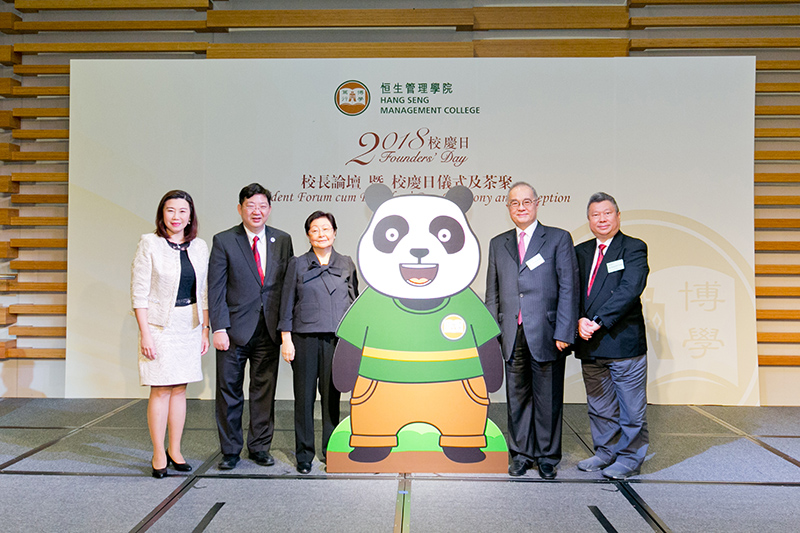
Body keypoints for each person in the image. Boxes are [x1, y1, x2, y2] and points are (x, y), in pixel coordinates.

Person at [485, 181, 579, 479]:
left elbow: (569, 288)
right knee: (517, 397)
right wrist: (493, 334)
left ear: (537, 203)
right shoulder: (498, 243)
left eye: (526, 202)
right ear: (508, 208)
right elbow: (493, 293)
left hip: (548, 332)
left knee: (548, 397)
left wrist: (565, 331)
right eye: (515, 203)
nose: (521, 207)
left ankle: (548, 457)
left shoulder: (557, 239)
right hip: (512, 333)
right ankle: (521, 454)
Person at [208, 183, 293, 470]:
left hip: (268, 329)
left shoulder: (282, 240)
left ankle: (259, 447)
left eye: (262, 206)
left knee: (263, 392)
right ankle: (230, 450)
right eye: (250, 206)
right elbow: (216, 288)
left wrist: (285, 328)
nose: (257, 211)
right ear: (240, 208)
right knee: (229, 391)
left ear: (269, 209)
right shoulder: (224, 240)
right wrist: (218, 327)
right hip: (233, 331)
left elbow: (285, 287)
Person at [131, 190, 210, 478]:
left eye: (182, 211)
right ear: (162, 214)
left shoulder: (200, 246)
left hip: (188, 325)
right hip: (158, 327)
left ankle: (175, 450)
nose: (177, 217)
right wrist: (145, 334)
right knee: (161, 389)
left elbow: (203, 292)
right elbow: (139, 293)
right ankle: (157, 453)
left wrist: (204, 328)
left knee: (180, 389)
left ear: (191, 216)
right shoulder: (149, 244)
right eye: (171, 211)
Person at [574, 192, 649, 480]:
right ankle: (605, 452)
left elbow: (630, 290)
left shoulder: (633, 248)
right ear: (589, 220)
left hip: (623, 342)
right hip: (590, 344)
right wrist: (579, 320)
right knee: (600, 406)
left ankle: (630, 458)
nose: (602, 219)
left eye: (607, 213)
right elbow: (572, 290)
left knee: (631, 408)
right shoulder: (580, 252)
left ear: (618, 216)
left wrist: (598, 321)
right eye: (596, 214)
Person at [279, 211, 358, 474]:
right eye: (315, 229)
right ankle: (304, 454)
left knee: (331, 397)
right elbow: (286, 303)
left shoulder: (346, 263)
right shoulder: (297, 264)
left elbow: (354, 303)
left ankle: (330, 449)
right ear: (308, 235)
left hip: (335, 341)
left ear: (335, 232)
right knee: (304, 398)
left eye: (326, 229)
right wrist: (286, 340)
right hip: (303, 340)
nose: (321, 234)